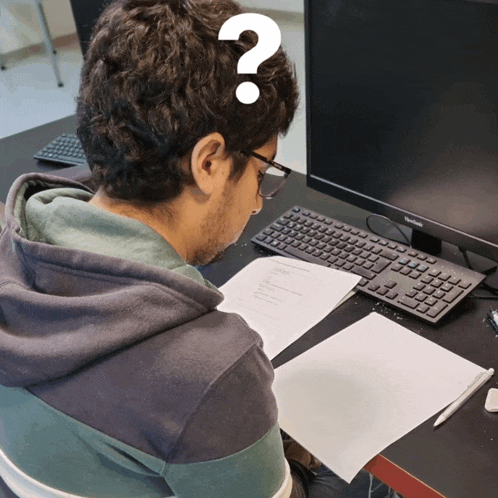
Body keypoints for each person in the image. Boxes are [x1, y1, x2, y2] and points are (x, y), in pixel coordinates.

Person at [0, 1, 392, 497]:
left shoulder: (14, 244)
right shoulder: (211, 373)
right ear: (208, 161)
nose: (256, 200)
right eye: (261, 171)